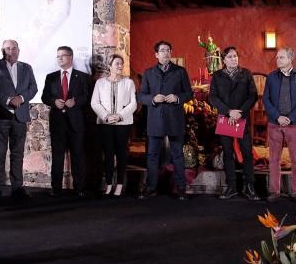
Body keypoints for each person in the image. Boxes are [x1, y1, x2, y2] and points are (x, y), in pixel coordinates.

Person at [0, 40, 37, 203]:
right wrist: (7, 100)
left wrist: (21, 98)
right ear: (2, 50)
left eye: (14, 48)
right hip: (1, 115)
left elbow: (33, 88)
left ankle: (17, 188)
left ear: (18, 50)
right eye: (7, 48)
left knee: (17, 153)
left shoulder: (26, 67)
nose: (11, 51)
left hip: (20, 116)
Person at [138, 41, 193, 200]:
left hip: (175, 119)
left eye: (168, 50)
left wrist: (177, 98)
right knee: (152, 155)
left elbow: (188, 93)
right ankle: (151, 188)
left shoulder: (180, 72)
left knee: (177, 155)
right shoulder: (148, 73)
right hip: (155, 119)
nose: (166, 53)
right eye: (162, 51)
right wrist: (153, 98)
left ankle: (181, 189)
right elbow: (141, 96)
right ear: (156, 54)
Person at [209, 46, 260, 201]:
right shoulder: (217, 76)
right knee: (228, 153)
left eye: (235, 56)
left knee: (247, 153)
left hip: (242, 117)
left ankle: (249, 186)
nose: (234, 59)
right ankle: (231, 187)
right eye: (230, 57)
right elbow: (213, 97)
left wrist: (239, 112)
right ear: (224, 60)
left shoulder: (246, 74)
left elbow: (253, 96)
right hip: (225, 118)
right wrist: (228, 111)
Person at [262, 47, 296, 202]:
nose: (278, 60)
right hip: (274, 124)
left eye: (281, 57)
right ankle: (274, 191)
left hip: (294, 124)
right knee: (274, 158)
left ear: (290, 59)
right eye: (277, 57)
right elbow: (266, 99)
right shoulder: (271, 77)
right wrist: (278, 117)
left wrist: (290, 118)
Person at [42, 46, 90, 197]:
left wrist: (75, 101)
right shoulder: (51, 77)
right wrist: (53, 101)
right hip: (58, 123)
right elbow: (45, 97)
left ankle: (79, 189)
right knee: (57, 157)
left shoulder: (82, 76)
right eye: (58, 56)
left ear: (71, 57)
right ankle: (55, 189)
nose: (60, 59)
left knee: (78, 156)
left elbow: (86, 96)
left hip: (76, 123)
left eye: (63, 56)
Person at [90, 54, 137, 197]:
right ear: (109, 66)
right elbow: (95, 102)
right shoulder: (100, 83)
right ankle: (109, 184)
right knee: (108, 154)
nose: (120, 66)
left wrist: (120, 115)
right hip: (105, 124)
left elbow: (133, 103)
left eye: (121, 63)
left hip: (123, 123)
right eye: (117, 63)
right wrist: (106, 116)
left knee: (122, 154)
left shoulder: (129, 82)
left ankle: (120, 184)